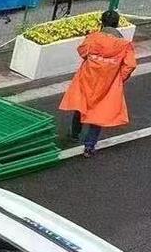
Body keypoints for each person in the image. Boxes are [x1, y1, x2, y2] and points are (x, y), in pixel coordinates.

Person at [59, 9, 137, 158]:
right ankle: (89, 146)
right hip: (107, 83)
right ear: (117, 24)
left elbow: (82, 51)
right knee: (99, 113)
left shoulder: (93, 38)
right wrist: (119, 78)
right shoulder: (124, 45)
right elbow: (130, 65)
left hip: (88, 78)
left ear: (102, 22)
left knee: (81, 105)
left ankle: (75, 134)